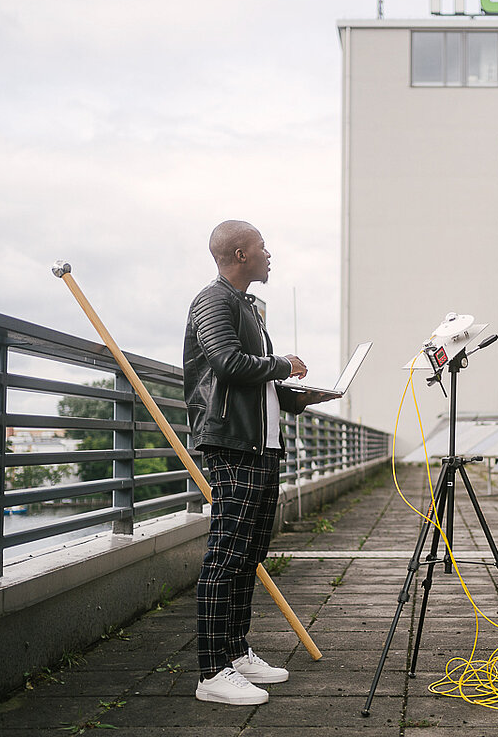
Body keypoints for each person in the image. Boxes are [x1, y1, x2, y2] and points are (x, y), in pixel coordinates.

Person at [184, 220, 325, 705]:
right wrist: (283, 364)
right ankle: (212, 672)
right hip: (231, 444)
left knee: (249, 555)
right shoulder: (213, 300)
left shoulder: (245, 306)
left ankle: (236, 651)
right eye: (263, 247)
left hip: (261, 445)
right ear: (240, 254)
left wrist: (295, 396)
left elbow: (251, 380)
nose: (270, 254)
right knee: (226, 555)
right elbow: (225, 363)